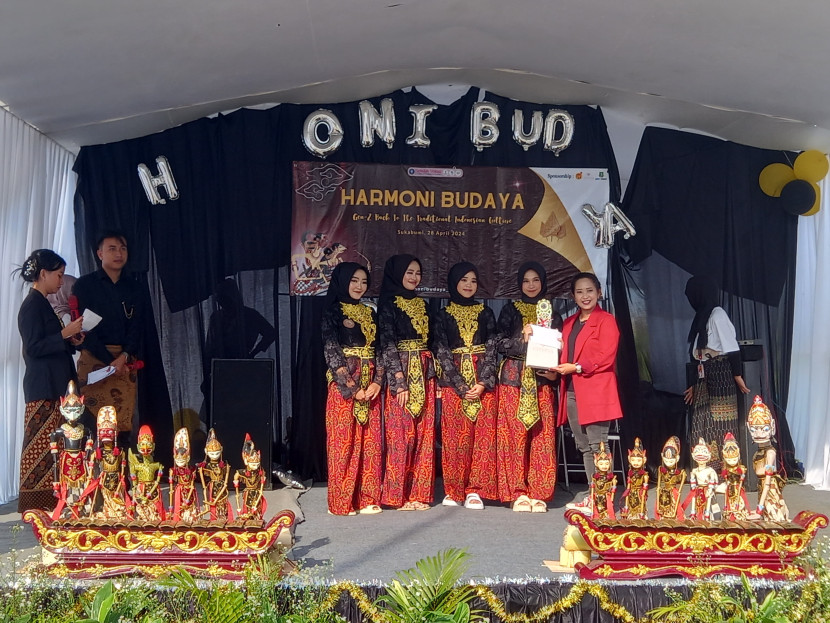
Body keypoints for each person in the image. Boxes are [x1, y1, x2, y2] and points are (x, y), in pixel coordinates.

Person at [16, 249, 85, 512]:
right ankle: (35, 502)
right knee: (40, 446)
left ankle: (55, 498)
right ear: (43, 274)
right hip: (43, 387)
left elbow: (49, 344)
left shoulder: (43, 303)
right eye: (58, 275)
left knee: (55, 446)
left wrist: (70, 339)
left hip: (55, 386)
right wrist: (64, 333)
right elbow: (33, 348)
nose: (61, 280)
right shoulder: (31, 306)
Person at [432, 262, 499, 510]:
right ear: (454, 283)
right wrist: (460, 385)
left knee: (482, 438)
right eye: (463, 280)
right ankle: (454, 489)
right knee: (454, 439)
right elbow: (441, 352)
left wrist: (482, 382)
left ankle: (475, 490)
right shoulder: (442, 315)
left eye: (473, 280)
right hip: (453, 383)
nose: (469, 285)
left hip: (484, 382)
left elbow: (492, 350)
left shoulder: (486, 313)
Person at [496, 262, 561, 513]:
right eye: (526, 281)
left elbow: (560, 345)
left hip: (542, 379)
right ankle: (517, 492)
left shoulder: (553, 313)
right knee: (513, 435)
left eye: (536, 280)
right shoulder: (510, 310)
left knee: (542, 435)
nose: (531, 285)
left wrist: (555, 373)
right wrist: (523, 338)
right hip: (514, 378)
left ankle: (539, 492)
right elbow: (500, 344)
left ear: (543, 282)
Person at [556, 272, 623, 513]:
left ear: (599, 293)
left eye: (590, 291)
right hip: (573, 391)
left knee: (598, 446)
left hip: (596, 391)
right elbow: (558, 351)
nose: (585, 296)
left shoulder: (606, 321)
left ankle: (602, 497)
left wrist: (577, 367)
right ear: (573, 296)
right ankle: (594, 493)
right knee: (584, 446)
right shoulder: (568, 323)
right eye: (580, 292)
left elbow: (606, 355)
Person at [322, 262, 384, 516]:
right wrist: (351, 386)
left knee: (370, 441)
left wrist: (378, 380)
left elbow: (381, 348)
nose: (359, 286)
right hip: (344, 385)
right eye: (354, 281)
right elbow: (331, 351)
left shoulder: (371, 312)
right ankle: (341, 502)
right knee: (343, 442)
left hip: (371, 383)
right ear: (342, 281)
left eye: (363, 282)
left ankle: (368, 498)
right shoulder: (332, 312)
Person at [72, 231, 144, 449]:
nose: (118, 254)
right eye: (112, 248)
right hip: (94, 359)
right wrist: (108, 360)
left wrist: (122, 357)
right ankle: (91, 477)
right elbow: (85, 329)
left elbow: (137, 327)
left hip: (124, 360)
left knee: (122, 424)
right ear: (99, 253)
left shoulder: (134, 286)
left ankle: (120, 476)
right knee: (90, 423)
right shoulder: (85, 285)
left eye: (122, 248)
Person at [378, 254, 437, 511]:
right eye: (409, 272)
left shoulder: (424, 304)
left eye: (417, 273)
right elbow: (386, 343)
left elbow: (433, 341)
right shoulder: (388, 304)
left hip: (424, 373)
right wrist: (398, 381)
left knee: (425, 434)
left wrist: (435, 373)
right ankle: (395, 494)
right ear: (397, 273)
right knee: (399, 434)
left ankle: (418, 494)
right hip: (400, 371)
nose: (414, 277)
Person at [683, 276, 749, 472]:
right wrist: (695, 384)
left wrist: (737, 376)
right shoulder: (703, 317)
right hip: (705, 375)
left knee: (721, 422)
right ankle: (705, 470)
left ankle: (725, 471)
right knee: (702, 423)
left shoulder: (718, 314)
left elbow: (732, 348)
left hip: (720, 374)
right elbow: (698, 356)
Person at [201, 278, 276, 416]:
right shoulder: (217, 317)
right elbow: (209, 346)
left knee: (240, 409)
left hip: (241, 365)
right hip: (220, 368)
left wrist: (253, 353)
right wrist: (208, 371)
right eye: (218, 298)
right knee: (219, 411)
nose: (220, 301)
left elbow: (270, 333)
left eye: (222, 297)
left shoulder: (249, 315)